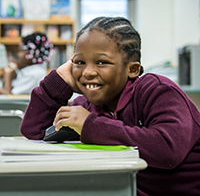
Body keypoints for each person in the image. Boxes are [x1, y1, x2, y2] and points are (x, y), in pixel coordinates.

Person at [20, 17, 200, 196]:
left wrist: (90, 126)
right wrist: (57, 82)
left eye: (101, 62)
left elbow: (167, 150)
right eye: (80, 62)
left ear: (132, 69)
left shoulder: (157, 91)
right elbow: (36, 132)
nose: (87, 72)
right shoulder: (86, 106)